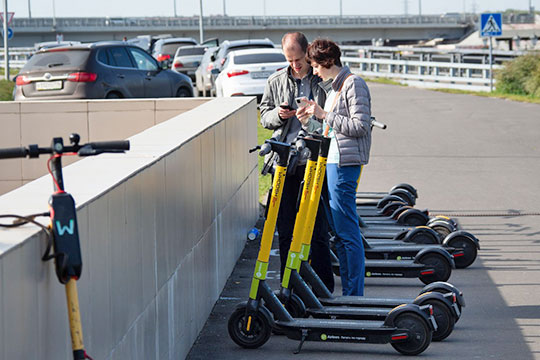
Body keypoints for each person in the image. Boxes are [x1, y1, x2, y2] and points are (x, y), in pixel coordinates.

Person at [260, 32, 335, 293]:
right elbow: (264, 116)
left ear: (308, 53)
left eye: (299, 59)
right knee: (285, 227)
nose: (295, 65)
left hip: (314, 161)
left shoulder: (321, 78)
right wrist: (279, 115)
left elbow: (329, 122)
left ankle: (324, 288)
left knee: (318, 228)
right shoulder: (275, 80)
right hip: (284, 162)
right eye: (289, 60)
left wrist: (310, 119)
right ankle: (287, 286)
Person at [297, 38, 372, 296]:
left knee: (347, 231)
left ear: (327, 62)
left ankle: (354, 295)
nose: (314, 71)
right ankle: (350, 293)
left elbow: (360, 126)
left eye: (316, 66)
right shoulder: (334, 89)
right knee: (339, 233)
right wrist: (309, 121)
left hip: (344, 164)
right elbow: (329, 130)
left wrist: (323, 114)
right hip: (332, 162)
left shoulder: (353, 84)